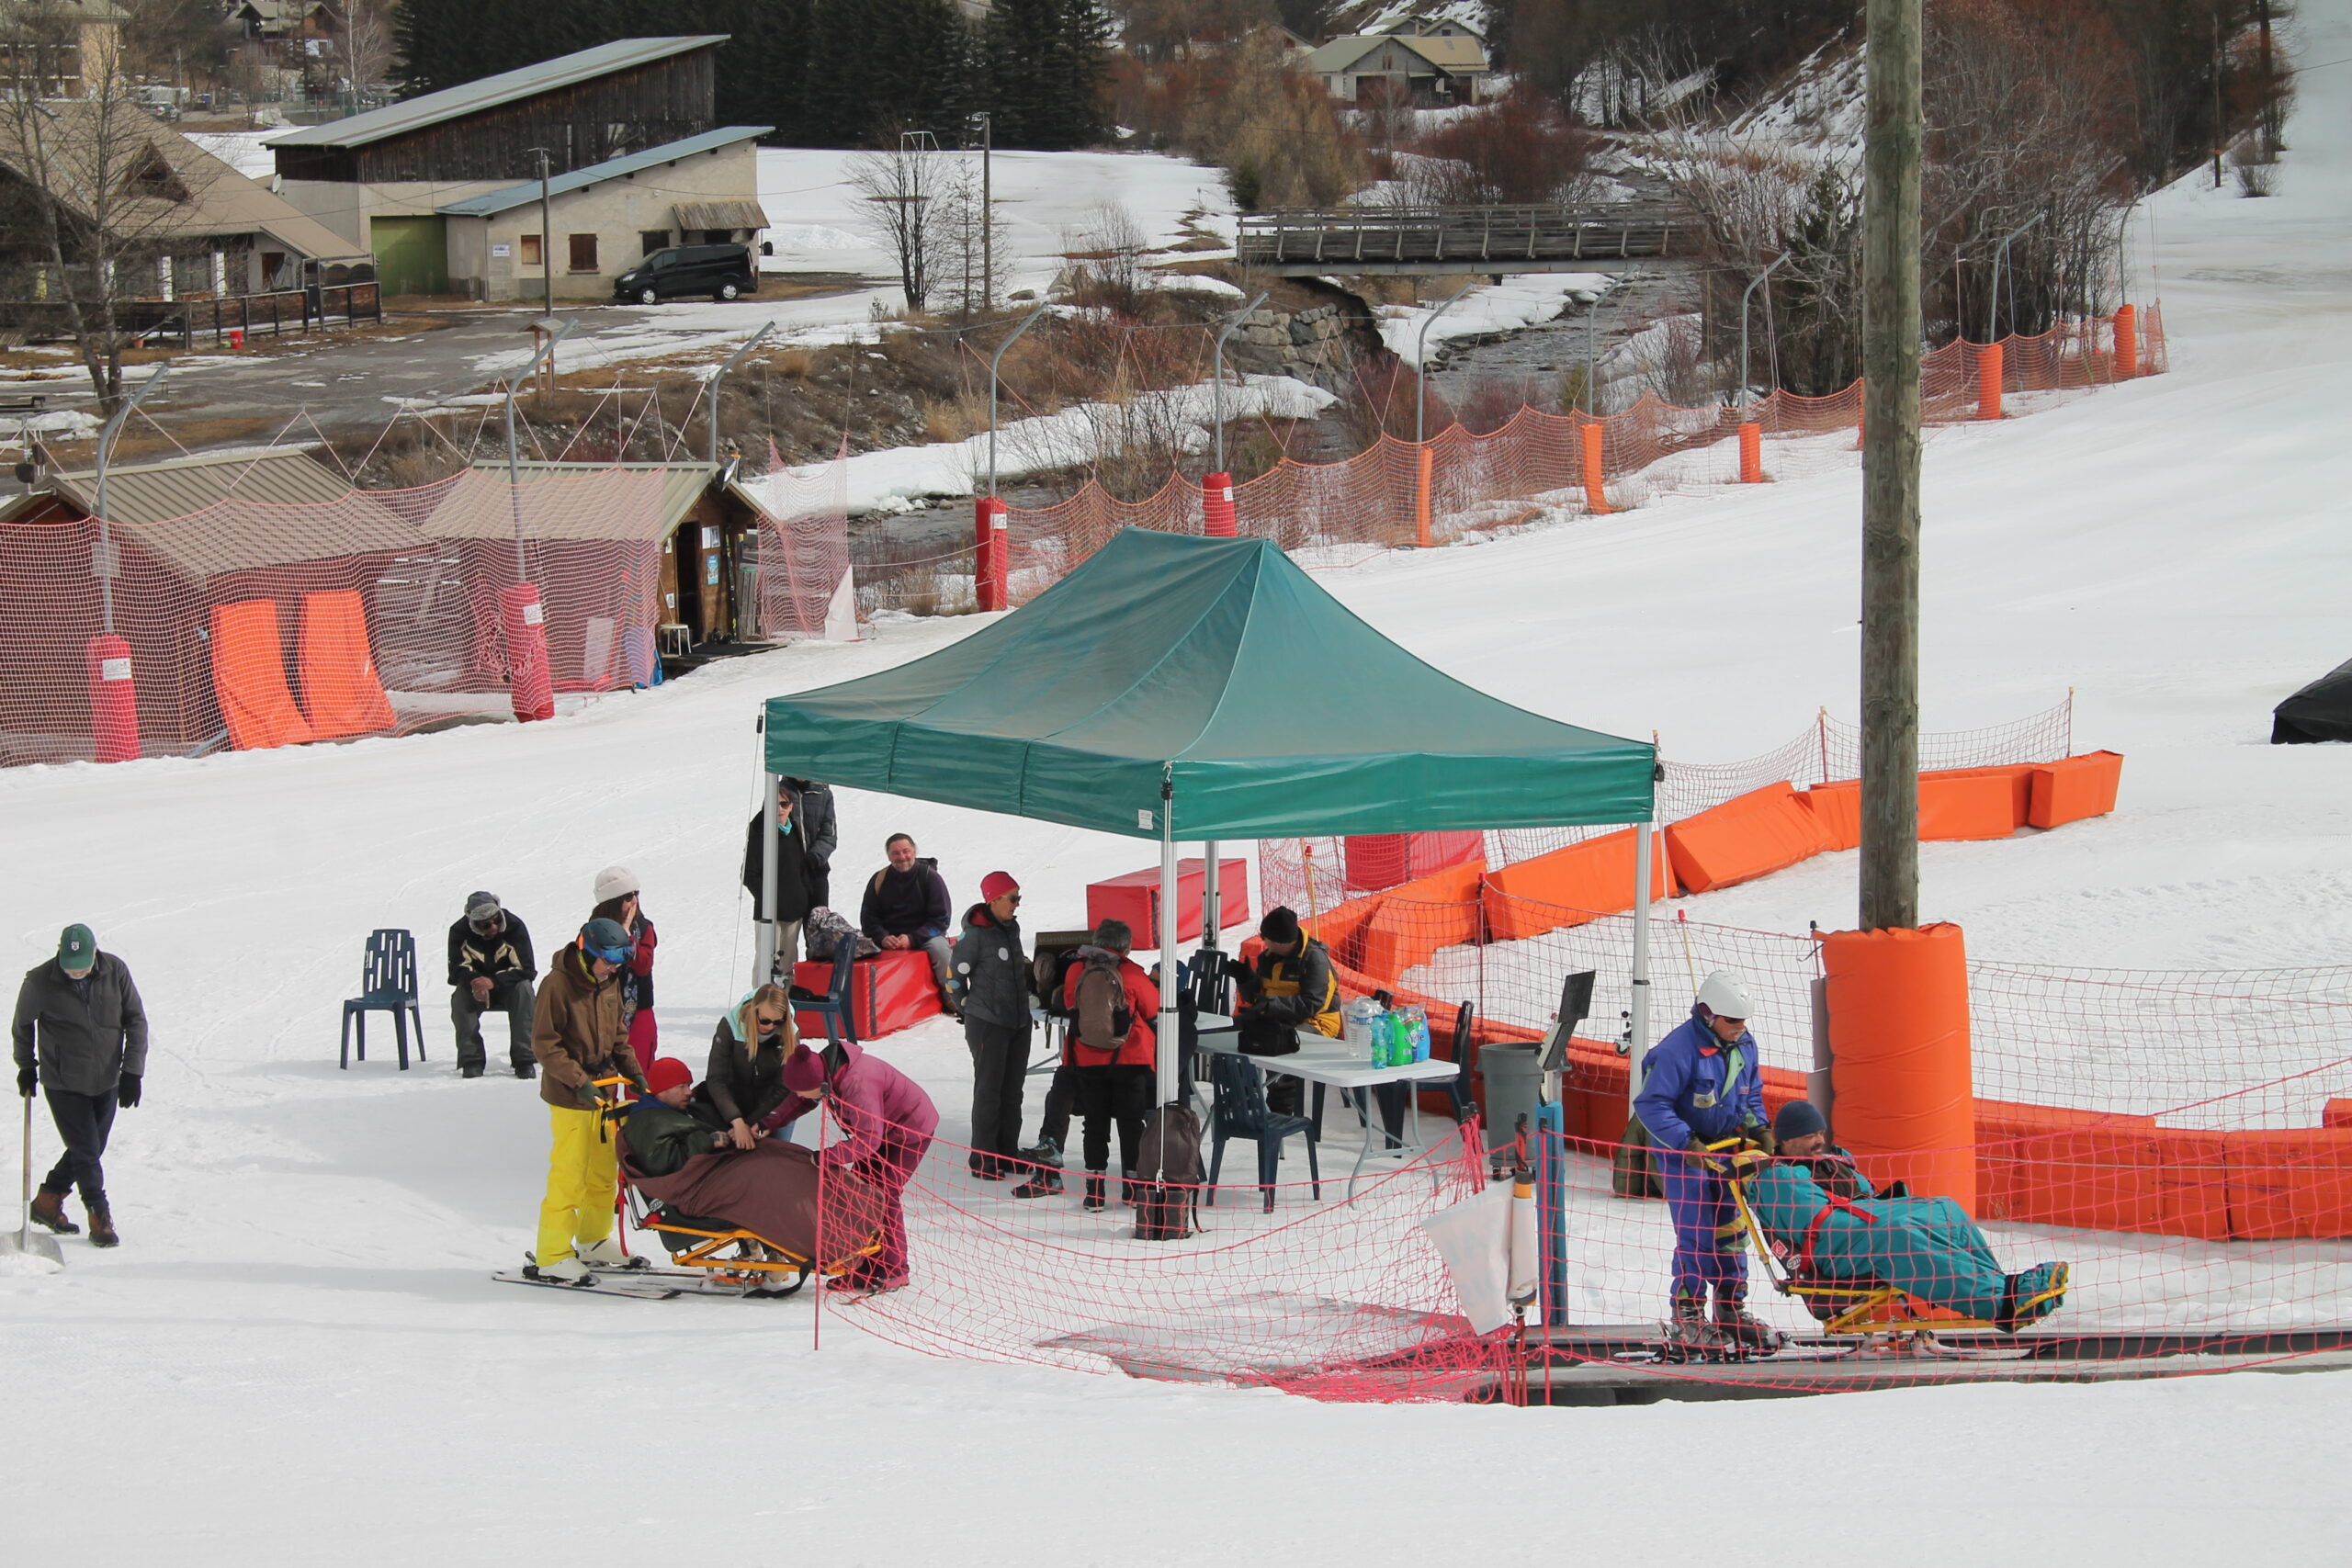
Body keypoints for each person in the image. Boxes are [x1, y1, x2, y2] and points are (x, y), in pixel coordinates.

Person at [1747, 1100, 2071, 1333]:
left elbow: (1866, 1198)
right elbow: (1825, 1224)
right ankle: (2002, 1306)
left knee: (1943, 1209)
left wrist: (1890, 1212)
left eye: (1820, 1133)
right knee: (1899, 1235)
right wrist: (1886, 1217)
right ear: (1785, 1141)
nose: (1818, 1141)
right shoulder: (1777, 1179)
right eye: (1808, 1136)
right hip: (1828, 1255)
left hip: (1861, 1234)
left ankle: (2001, 1286)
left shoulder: (1833, 1161)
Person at [1633, 969, 1779, 1350]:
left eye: (1743, 1021)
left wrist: (1760, 1128)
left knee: (1733, 1229)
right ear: (1707, 1013)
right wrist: (1686, 1143)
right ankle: (1687, 1314)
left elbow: (1750, 1094)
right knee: (1695, 1234)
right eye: (1732, 1021)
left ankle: (1731, 1307)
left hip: (1727, 1150)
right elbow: (1651, 1104)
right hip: (1688, 1155)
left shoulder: (1744, 1045)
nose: (1740, 1028)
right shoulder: (1676, 1052)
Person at [526, 917, 650, 1282]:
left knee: (603, 1172)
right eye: (607, 960)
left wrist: (636, 1074)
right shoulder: (557, 985)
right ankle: (552, 1253)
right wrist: (579, 1081)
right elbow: (544, 1045)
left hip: (605, 1090)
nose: (613, 968)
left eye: (617, 962)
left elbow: (617, 1036)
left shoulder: (608, 981)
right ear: (588, 951)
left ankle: (593, 1239)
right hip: (570, 1095)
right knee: (570, 1175)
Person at [766, 1038, 939, 1294]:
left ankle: (894, 1269)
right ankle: (862, 1266)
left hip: (909, 1131)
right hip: (877, 1132)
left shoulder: (857, 1083)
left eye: (802, 1090)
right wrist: (766, 1123)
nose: (800, 1096)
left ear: (818, 1084)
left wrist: (827, 1156)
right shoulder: (824, 1073)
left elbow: (869, 1140)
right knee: (857, 1192)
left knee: (883, 1195)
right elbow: (800, 1100)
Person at [11, 924, 146, 1247]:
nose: (76, 973)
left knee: (92, 1146)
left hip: (108, 1078)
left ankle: (47, 1200)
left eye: (82, 968)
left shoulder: (115, 971)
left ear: (95, 953)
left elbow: (136, 1019)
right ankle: (99, 1214)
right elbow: (22, 1024)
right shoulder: (40, 981)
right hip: (63, 1080)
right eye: (70, 969)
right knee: (86, 1151)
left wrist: (132, 1071)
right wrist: (27, 1066)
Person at [1060, 919, 1159, 1213]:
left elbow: (1069, 1004)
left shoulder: (1077, 970)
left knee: (1095, 1123)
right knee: (1130, 1124)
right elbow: (1152, 1008)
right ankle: (1132, 1189)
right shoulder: (1130, 973)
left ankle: (1095, 1191)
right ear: (1125, 946)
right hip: (1129, 1059)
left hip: (1087, 1059)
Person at [951, 871, 1032, 1180]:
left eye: (1018, 897)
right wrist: (970, 1010)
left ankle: (1007, 1154)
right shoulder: (975, 936)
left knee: (1013, 1091)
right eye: (1013, 898)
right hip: (988, 1024)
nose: (1017, 905)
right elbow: (954, 979)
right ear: (993, 899)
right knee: (989, 1091)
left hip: (1017, 1021)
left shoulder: (1012, 928)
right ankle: (984, 1159)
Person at [1228, 906, 1340, 1117]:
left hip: (1318, 1023)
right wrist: (1245, 979)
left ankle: (1281, 1107)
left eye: (1266, 937)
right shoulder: (1268, 958)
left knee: (1276, 1042)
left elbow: (1313, 1004)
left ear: (1279, 941)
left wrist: (1272, 1005)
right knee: (1235, 1032)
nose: (1264, 942)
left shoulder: (1314, 959)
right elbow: (1257, 998)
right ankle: (1242, 1096)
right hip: (1278, 1018)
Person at [741, 778, 835, 975]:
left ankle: (804, 993)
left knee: (802, 950)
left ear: (790, 806)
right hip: (774, 902)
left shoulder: (822, 793)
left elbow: (829, 833)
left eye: (784, 805)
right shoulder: (764, 826)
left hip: (807, 882)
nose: (779, 808)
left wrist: (814, 858)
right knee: (768, 958)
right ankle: (763, 1000)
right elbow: (751, 873)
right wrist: (768, 899)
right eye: (775, 804)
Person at [447, 891, 537, 1079]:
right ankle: (471, 1060)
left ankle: (524, 1059)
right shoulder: (458, 931)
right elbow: (456, 971)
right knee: (459, 999)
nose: (493, 927)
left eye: (496, 921)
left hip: (509, 987)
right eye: (486, 925)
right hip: (476, 988)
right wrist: (476, 982)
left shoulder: (514, 926)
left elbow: (527, 969)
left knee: (525, 990)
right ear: (473, 924)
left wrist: (493, 982)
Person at [858, 832, 953, 1005]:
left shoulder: (930, 877)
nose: (902, 857)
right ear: (888, 856)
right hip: (889, 938)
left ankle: (952, 997)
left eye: (906, 851)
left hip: (925, 936)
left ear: (914, 851)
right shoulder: (879, 879)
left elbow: (941, 919)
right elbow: (868, 917)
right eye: (896, 853)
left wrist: (912, 939)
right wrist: (883, 937)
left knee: (941, 950)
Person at [700, 985, 797, 1151]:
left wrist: (752, 1122)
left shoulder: (790, 1032)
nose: (771, 1026)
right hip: (732, 1103)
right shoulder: (731, 1025)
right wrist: (737, 1121)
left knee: (776, 1155)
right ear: (754, 1011)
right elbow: (716, 1078)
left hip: (772, 1108)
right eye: (765, 1020)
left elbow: (784, 1087)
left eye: (778, 1021)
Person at [591, 865, 659, 1067]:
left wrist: (628, 937)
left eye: (636, 894)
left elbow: (643, 966)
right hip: (601, 1009)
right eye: (628, 897)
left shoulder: (644, 927)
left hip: (639, 1009)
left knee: (639, 1073)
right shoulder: (592, 931)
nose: (634, 901)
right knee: (604, 1076)